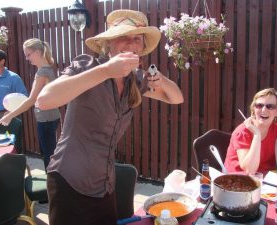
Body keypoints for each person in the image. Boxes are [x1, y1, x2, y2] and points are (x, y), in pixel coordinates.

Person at [36, 9, 183, 225]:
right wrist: (106, 70)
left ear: (142, 48)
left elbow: (176, 98)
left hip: (104, 184)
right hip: (69, 181)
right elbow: (44, 100)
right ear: (109, 44)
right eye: (123, 37)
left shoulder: (136, 81)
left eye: (136, 39)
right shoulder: (88, 66)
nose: (130, 44)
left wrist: (162, 80)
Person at [0, 39, 61, 170]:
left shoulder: (42, 72)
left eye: (28, 54)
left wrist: (9, 116)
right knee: (49, 153)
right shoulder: (47, 68)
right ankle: (54, 181)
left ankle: (53, 185)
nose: (26, 58)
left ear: (37, 52)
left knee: (48, 155)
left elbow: (31, 100)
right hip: (50, 117)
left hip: (47, 119)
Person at [224, 88, 277, 174]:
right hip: (238, 179)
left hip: (265, 178)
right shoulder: (242, 131)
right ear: (254, 109)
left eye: (270, 106)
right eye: (259, 105)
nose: (264, 110)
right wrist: (257, 134)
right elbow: (249, 170)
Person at [0, 48, 28, 133]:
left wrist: (9, 113)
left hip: (10, 117)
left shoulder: (13, 78)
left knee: (10, 144)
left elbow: (24, 98)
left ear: (2, 61)